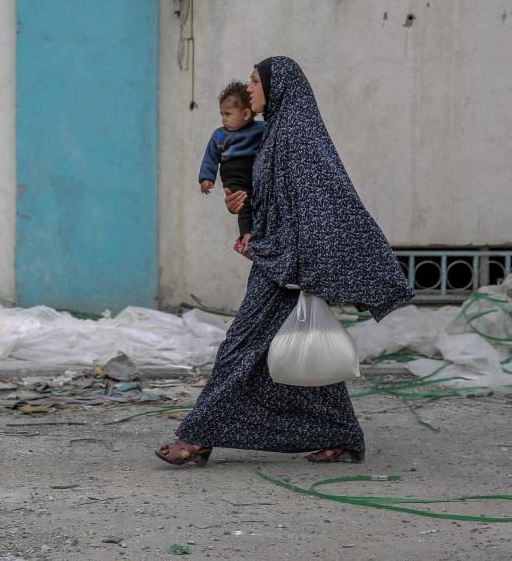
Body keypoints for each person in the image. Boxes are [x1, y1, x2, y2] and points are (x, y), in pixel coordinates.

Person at [155, 56, 414, 467]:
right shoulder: (276, 132)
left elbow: (317, 204)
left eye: (255, 82)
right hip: (278, 258)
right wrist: (239, 205)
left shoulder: (296, 136)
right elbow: (275, 197)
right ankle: (341, 435)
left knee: (240, 347)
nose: (249, 88)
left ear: (277, 88)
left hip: (287, 267)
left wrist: (304, 266)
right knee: (303, 350)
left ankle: (197, 436)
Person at [198, 81, 265, 248]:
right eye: (222, 114)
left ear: (246, 114)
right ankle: (247, 235)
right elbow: (211, 156)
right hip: (234, 176)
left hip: (254, 171)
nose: (223, 119)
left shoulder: (260, 129)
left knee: (259, 201)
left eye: (227, 114)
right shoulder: (220, 135)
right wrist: (206, 178)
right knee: (243, 203)